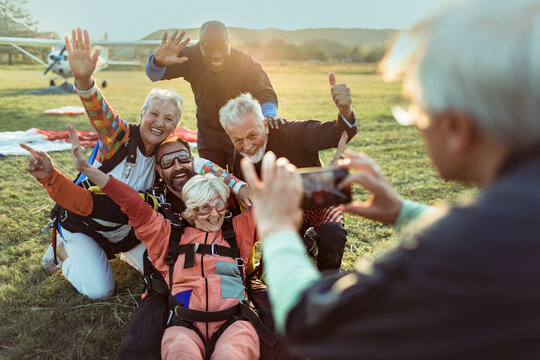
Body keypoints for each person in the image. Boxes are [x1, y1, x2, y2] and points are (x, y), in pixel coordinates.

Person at [241, 0, 540, 358]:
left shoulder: (448, 249)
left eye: (415, 108)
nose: (417, 122)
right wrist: (404, 213)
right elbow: (494, 248)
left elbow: (314, 324)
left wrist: (275, 228)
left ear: (457, 127)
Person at [38, 29, 251, 299]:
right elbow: (99, 111)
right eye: (154, 114)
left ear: (175, 126)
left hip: (126, 232)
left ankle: (116, 254)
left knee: (165, 270)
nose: (160, 123)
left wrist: (240, 187)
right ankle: (64, 254)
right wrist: (84, 79)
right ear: (142, 114)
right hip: (86, 224)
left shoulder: (166, 157)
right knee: (101, 290)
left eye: (168, 118)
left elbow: (203, 165)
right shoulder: (119, 136)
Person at [61, 125, 261, 359]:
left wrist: (243, 186)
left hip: (232, 316)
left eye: (219, 205)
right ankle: (67, 251)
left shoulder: (229, 214)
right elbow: (128, 201)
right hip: (182, 309)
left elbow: (275, 206)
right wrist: (84, 171)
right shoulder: (161, 218)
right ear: (190, 211)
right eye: (204, 208)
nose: (214, 214)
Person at [219, 73, 357, 270]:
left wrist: (345, 109)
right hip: (283, 213)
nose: (247, 146)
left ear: (265, 125)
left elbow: (339, 132)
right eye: (238, 140)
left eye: (252, 135)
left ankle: (327, 281)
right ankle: (306, 243)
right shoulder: (239, 156)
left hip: (317, 201)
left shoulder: (292, 131)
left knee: (332, 233)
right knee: (272, 269)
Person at [145, 21, 280, 169]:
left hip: (240, 133)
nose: (216, 55)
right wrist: (157, 62)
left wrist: (268, 114)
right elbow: (154, 74)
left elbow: (265, 93)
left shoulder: (244, 62)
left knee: (243, 179)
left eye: (222, 48)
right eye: (209, 49)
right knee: (212, 181)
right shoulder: (191, 56)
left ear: (229, 42)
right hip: (208, 131)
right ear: (200, 45)